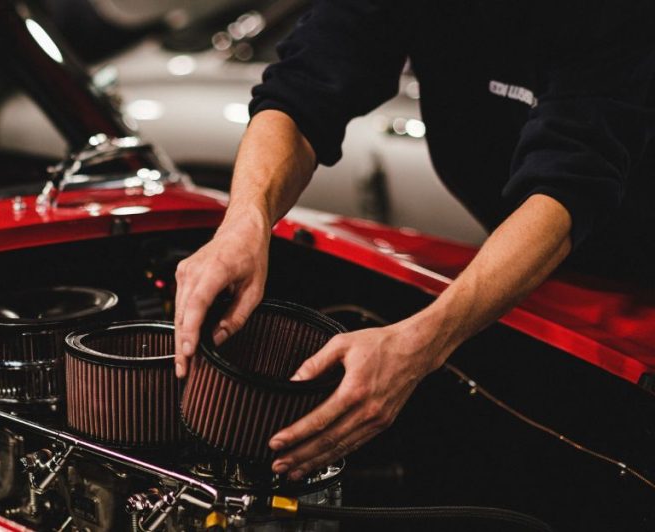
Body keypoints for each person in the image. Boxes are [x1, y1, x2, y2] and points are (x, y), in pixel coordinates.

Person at [172, 0, 655, 482]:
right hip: (542, 262)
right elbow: (300, 92)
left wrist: (418, 346)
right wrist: (244, 223)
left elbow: (569, 183)